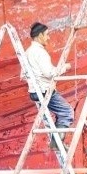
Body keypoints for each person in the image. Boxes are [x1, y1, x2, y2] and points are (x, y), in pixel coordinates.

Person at [21, 22, 74, 150]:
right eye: (47, 35)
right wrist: (65, 67)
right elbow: (50, 73)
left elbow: (23, 75)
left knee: (60, 112)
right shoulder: (40, 52)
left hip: (34, 92)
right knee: (67, 112)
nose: (48, 37)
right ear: (39, 36)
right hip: (44, 91)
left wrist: (34, 81)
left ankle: (56, 141)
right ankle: (57, 143)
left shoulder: (27, 52)